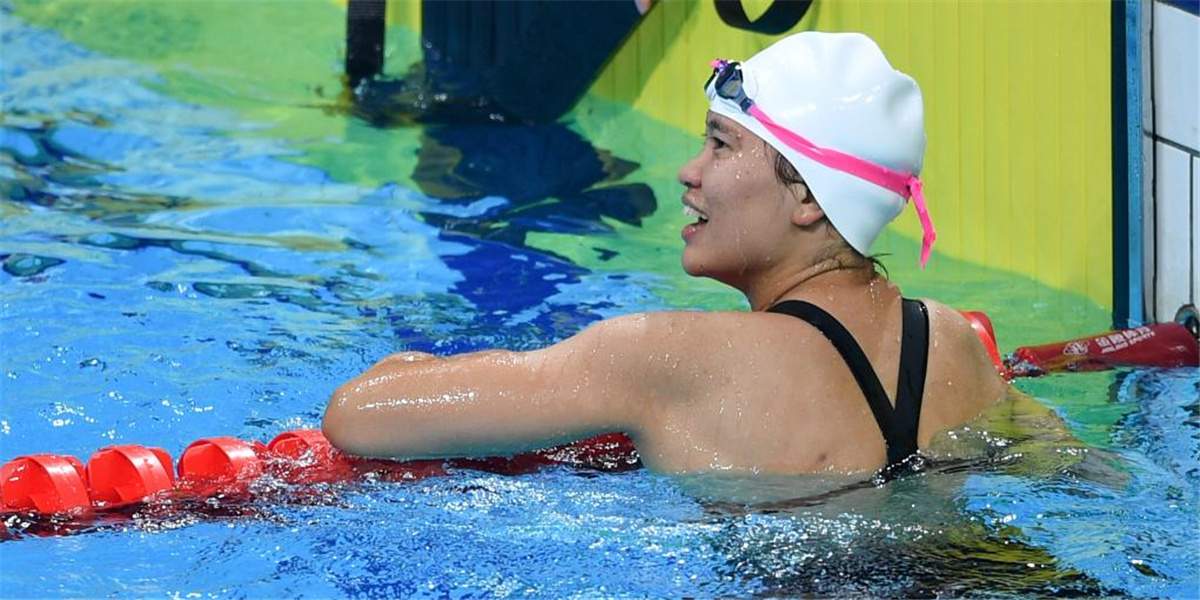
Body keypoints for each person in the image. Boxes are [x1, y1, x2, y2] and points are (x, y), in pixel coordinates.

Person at [322, 32, 1007, 475]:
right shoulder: (952, 344)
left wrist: (405, 368)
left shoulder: (671, 358)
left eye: (720, 144)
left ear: (806, 195)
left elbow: (358, 415)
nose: (689, 171)